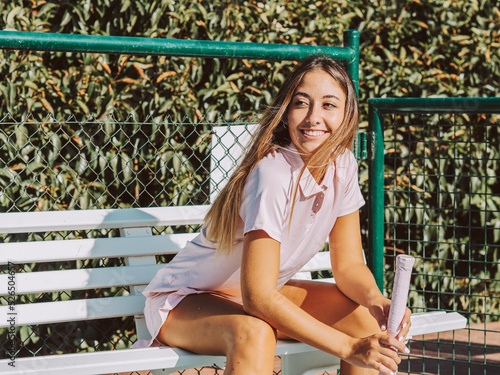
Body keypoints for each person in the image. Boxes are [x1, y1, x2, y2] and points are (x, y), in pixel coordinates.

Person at [135, 55, 411, 375]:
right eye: (301, 103)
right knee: (254, 334)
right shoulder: (273, 174)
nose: (313, 117)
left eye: (329, 105)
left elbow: (348, 265)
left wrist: (377, 300)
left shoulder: (343, 164)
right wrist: (349, 347)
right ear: (286, 112)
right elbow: (258, 298)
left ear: (348, 114)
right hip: (184, 302)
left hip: (256, 294)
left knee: (363, 319)